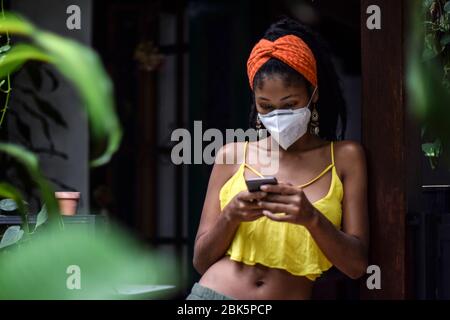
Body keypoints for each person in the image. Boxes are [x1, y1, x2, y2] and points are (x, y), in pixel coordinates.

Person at [187, 17, 368, 300]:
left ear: (313, 95)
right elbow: (200, 261)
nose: (277, 116)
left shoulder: (345, 157)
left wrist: (310, 217)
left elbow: (356, 266)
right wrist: (231, 216)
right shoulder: (232, 155)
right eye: (266, 106)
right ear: (255, 103)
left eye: (290, 104)